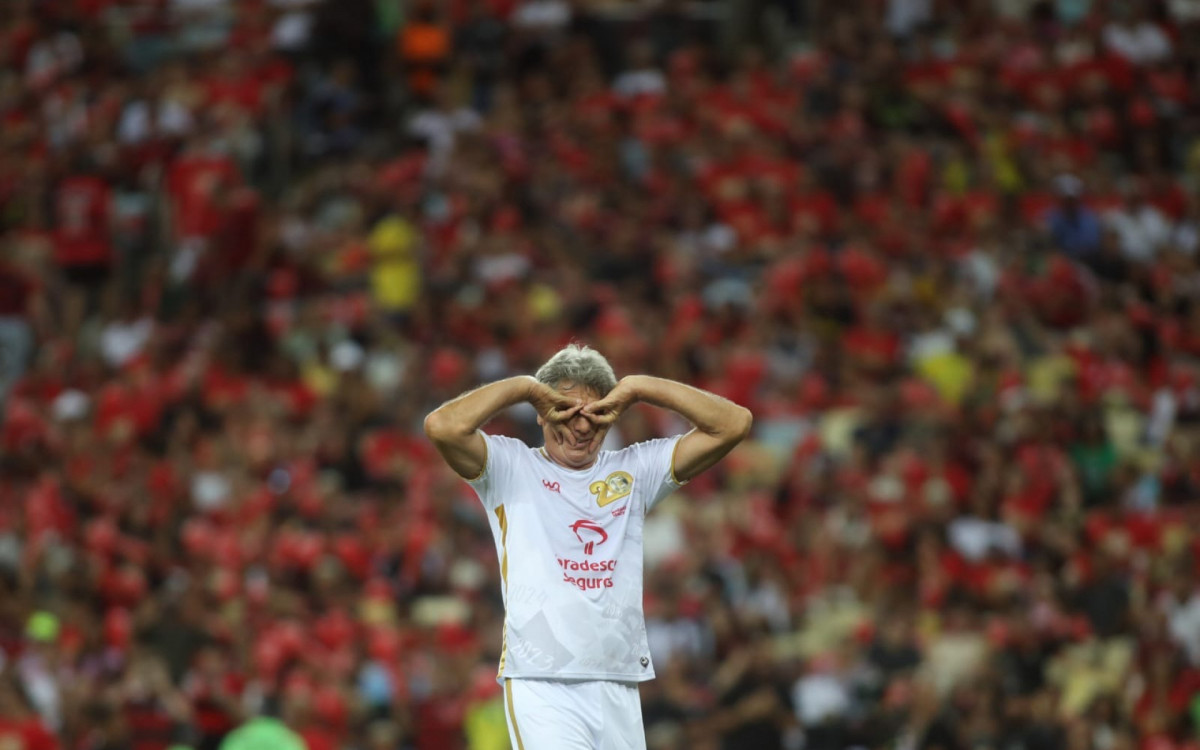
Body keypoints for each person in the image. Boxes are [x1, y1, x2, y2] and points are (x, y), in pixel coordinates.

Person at [424, 344, 752, 750]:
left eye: (595, 415)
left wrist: (638, 388)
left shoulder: (634, 471)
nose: (582, 429)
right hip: (542, 684)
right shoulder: (510, 467)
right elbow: (442, 426)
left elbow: (734, 424)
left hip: (619, 683)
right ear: (543, 413)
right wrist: (525, 388)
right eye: (567, 412)